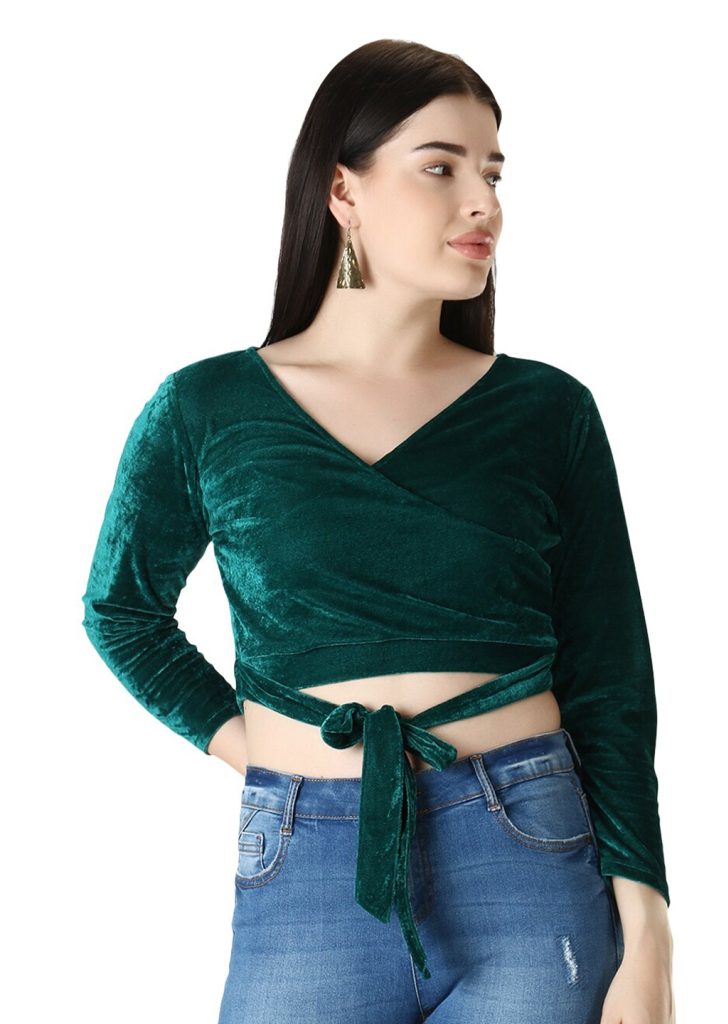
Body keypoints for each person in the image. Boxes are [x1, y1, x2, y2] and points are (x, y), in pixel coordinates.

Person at [81, 38, 675, 1024]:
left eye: (493, 173)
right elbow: (122, 610)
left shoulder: (547, 410)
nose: (483, 202)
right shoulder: (205, 407)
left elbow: (612, 681)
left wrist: (649, 933)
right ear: (342, 190)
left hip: (530, 860)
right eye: (442, 168)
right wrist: (249, 747)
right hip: (303, 860)